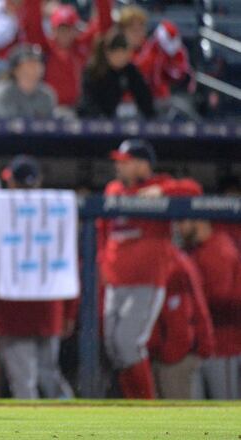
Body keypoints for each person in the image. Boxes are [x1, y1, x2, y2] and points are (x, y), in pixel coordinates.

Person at [97, 138, 202, 399]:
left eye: (126, 162)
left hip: (146, 281)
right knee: (113, 346)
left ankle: (145, 404)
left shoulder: (159, 185)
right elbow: (102, 231)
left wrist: (163, 192)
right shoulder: (113, 190)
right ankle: (135, 405)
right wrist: (101, 264)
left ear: (144, 165)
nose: (119, 167)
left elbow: (194, 190)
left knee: (128, 343)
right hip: (115, 281)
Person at [0, 156, 76, 399]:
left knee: (25, 384)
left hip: (13, 314)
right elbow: (71, 262)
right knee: (50, 377)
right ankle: (73, 427)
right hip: (49, 312)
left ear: (13, 183)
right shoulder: (56, 209)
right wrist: (69, 311)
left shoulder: (1, 209)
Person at [177, 213, 241, 399]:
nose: (179, 227)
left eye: (183, 220)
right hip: (199, 347)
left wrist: (189, 307)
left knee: (227, 409)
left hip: (224, 346)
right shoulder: (193, 250)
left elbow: (222, 299)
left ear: (199, 220)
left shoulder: (220, 248)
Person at [148, 244, 215, 399]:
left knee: (180, 414)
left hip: (177, 357)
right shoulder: (173, 259)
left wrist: (169, 355)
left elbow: (180, 318)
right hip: (165, 353)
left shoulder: (174, 263)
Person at [22, 0, 112, 109]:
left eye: (68, 29)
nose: (64, 34)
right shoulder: (45, 48)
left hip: (80, 110)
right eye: (60, 29)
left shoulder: (82, 46)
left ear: (75, 29)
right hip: (50, 110)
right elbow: (32, 23)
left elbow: (105, 25)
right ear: (53, 30)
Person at [78, 30, 154, 119]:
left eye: (123, 54)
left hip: (111, 117)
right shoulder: (94, 70)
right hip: (89, 119)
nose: (120, 59)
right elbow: (88, 101)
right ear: (108, 53)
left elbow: (143, 95)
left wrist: (151, 116)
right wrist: (100, 119)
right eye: (117, 55)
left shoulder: (129, 70)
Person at [133, 20, 195, 118]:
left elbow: (182, 76)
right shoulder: (151, 49)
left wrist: (169, 65)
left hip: (172, 96)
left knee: (183, 109)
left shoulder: (179, 52)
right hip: (148, 97)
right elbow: (140, 69)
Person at [0, 44, 56, 118]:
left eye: (39, 63)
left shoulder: (46, 94)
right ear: (15, 69)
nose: (36, 67)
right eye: (30, 63)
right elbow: (6, 123)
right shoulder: (2, 93)